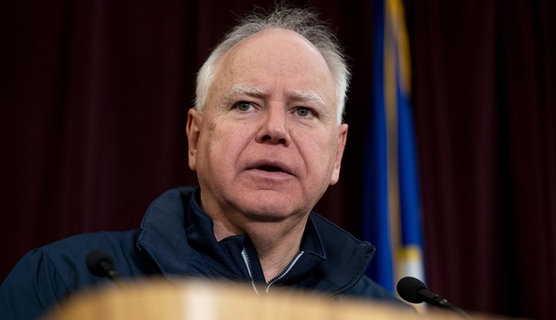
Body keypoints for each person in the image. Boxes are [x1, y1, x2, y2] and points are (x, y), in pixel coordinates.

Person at [0, 5, 408, 319]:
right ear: (195, 138)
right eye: (246, 104)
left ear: (337, 154)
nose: (275, 129)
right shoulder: (65, 283)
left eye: (304, 111)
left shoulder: (385, 315)